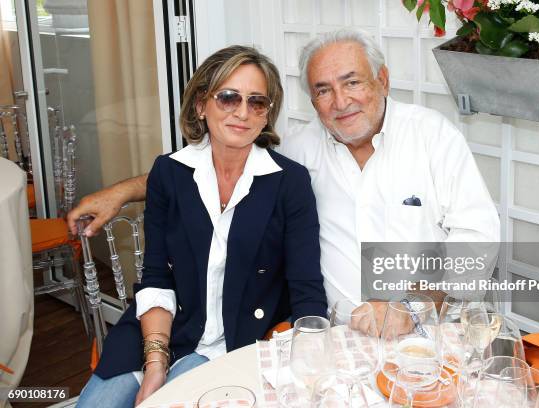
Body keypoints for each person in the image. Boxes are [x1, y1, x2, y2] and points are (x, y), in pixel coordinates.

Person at [68, 28, 499, 334]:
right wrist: (122, 192)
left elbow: (477, 235)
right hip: (334, 336)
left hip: (429, 331)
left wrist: (413, 306)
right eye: (323, 89)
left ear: (382, 81)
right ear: (311, 99)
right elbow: (220, 166)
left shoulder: (432, 135)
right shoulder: (298, 152)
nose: (340, 101)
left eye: (353, 83)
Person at [75, 45, 327, 408]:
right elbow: (158, 275)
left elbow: (306, 287)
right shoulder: (169, 173)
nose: (242, 112)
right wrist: (155, 363)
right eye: (228, 98)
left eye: (257, 102)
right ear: (200, 104)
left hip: (230, 343)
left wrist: (311, 366)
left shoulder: (289, 182)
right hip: (160, 330)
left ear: (267, 114)